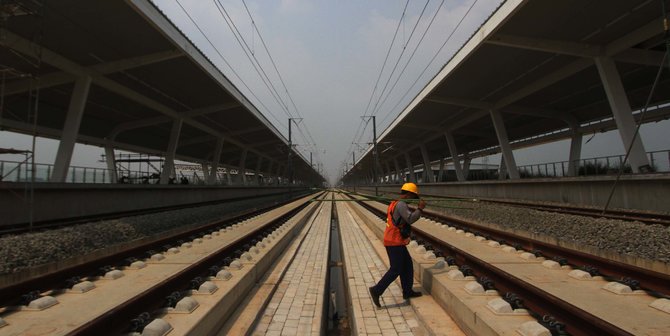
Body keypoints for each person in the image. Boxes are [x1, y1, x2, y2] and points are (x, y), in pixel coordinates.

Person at [369, 182, 426, 307]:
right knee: (396, 269)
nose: (413, 200)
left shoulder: (395, 203)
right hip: (394, 242)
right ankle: (376, 290)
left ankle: (407, 291)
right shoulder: (401, 204)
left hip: (394, 240)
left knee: (407, 265)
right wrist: (420, 209)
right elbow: (410, 219)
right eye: (413, 197)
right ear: (409, 194)